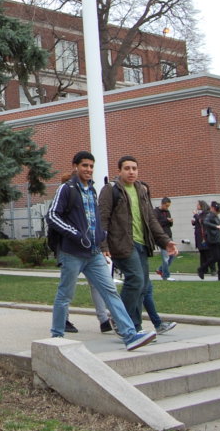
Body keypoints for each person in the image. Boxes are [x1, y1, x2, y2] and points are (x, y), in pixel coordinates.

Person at [47, 150, 157, 351]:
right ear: (75, 167)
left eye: (91, 166)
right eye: (84, 166)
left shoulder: (92, 190)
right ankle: (57, 335)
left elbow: (97, 219)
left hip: (94, 252)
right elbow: (53, 216)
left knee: (110, 292)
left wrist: (101, 238)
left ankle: (129, 335)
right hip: (72, 253)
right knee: (65, 294)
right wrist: (76, 234)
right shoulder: (66, 189)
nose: (88, 169)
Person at [98, 155, 178, 336]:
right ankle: (121, 320)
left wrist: (165, 241)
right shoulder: (110, 190)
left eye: (134, 168)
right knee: (136, 280)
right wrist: (103, 246)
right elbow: (102, 219)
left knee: (143, 286)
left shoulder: (141, 190)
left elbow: (151, 218)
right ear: (119, 171)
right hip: (122, 243)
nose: (131, 172)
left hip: (142, 243)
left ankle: (135, 327)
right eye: (127, 168)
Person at [200, 201, 220, 280]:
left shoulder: (216, 216)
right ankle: (201, 268)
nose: (217, 212)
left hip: (218, 239)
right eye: (216, 210)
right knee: (215, 257)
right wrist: (216, 226)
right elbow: (205, 222)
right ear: (212, 208)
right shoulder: (210, 215)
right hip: (213, 240)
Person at [154, 197, 175, 280]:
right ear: (162, 204)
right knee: (165, 256)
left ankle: (160, 269)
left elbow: (169, 225)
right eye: (166, 206)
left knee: (172, 254)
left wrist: (170, 222)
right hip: (161, 237)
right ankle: (166, 276)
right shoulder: (156, 212)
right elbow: (156, 224)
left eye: (168, 206)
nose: (167, 208)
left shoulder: (167, 212)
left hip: (169, 235)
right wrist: (166, 220)